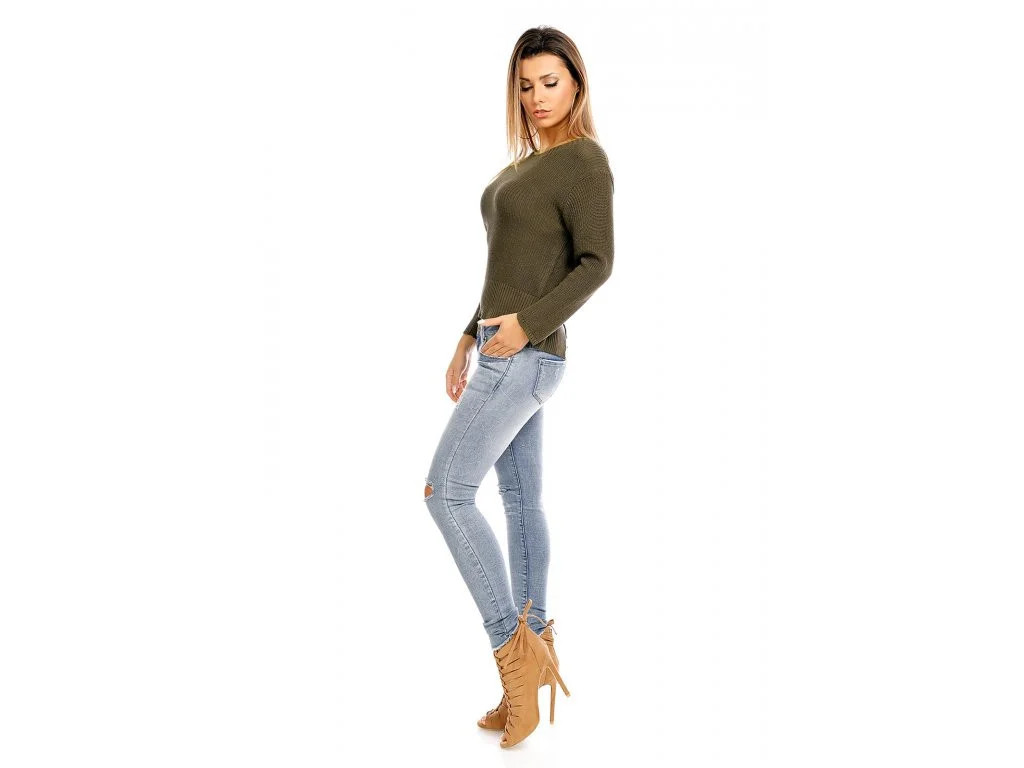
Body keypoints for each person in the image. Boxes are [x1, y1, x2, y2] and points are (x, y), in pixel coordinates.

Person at [422, 26, 615, 749]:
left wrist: (525, 326)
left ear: (577, 84)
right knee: (518, 502)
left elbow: (597, 263)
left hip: (527, 355)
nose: (537, 97)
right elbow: (508, 270)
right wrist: (466, 335)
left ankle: (513, 652)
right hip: (502, 349)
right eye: (526, 85)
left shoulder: (584, 161)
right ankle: (528, 675)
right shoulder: (523, 168)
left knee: (446, 493)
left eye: (550, 82)